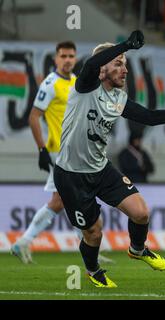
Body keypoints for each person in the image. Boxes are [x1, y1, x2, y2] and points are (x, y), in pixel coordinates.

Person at [53, 30, 165, 288]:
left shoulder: (118, 99)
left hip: (101, 168)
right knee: (94, 233)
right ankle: (94, 271)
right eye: (119, 63)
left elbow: (149, 117)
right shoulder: (84, 87)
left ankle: (138, 249)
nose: (125, 70)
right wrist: (125, 45)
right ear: (103, 67)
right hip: (71, 175)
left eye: (125, 64)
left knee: (141, 213)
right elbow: (92, 64)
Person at [10, 41, 115, 265]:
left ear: (75, 59)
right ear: (56, 59)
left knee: (71, 200)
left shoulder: (78, 82)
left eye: (71, 56)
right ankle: (24, 241)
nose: (67, 60)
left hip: (75, 152)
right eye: (63, 56)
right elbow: (33, 117)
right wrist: (41, 149)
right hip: (59, 153)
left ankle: (88, 248)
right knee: (61, 200)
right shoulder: (50, 83)